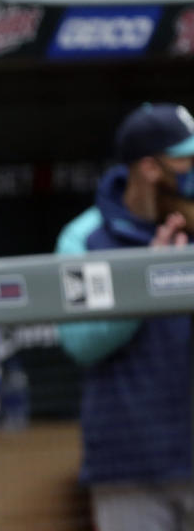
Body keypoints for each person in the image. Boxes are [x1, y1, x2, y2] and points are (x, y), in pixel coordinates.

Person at [56, 102, 194, 531]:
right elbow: (80, 343)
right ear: (151, 168)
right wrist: (149, 282)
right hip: (128, 460)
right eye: (187, 160)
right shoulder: (85, 236)